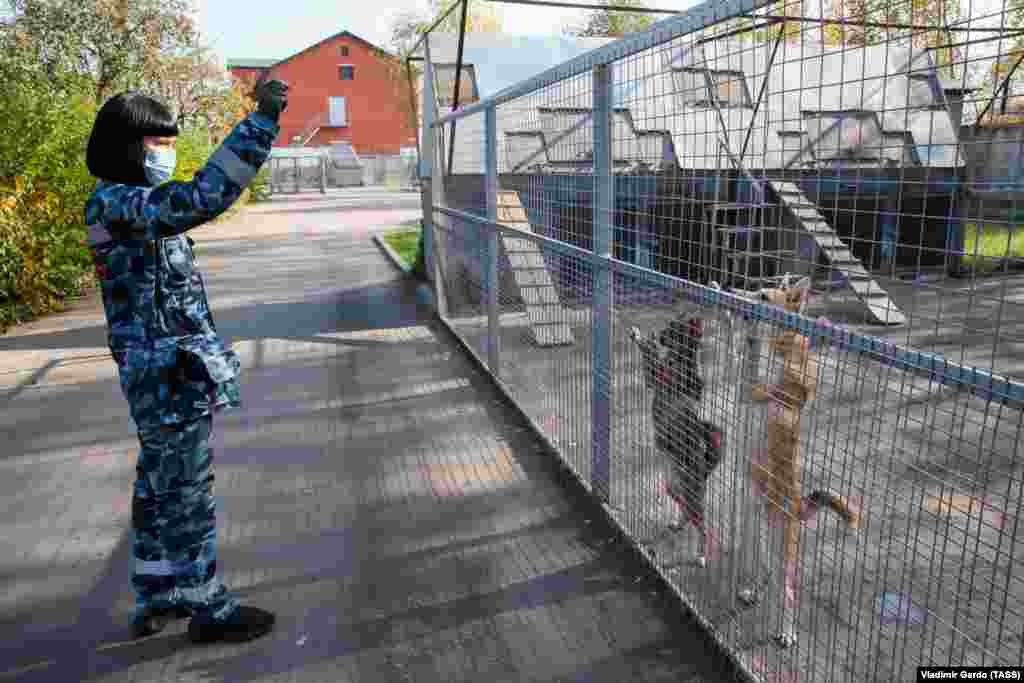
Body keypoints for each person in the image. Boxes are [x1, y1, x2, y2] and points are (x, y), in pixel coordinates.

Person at [84, 80, 289, 644]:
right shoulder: (116, 202)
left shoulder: (129, 203)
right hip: (164, 375)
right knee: (187, 490)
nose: (164, 151)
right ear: (126, 145)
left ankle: (159, 591)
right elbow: (199, 198)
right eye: (155, 141)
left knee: (157, 485)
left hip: (169, 367)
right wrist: (260, 123)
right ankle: (208, 607)